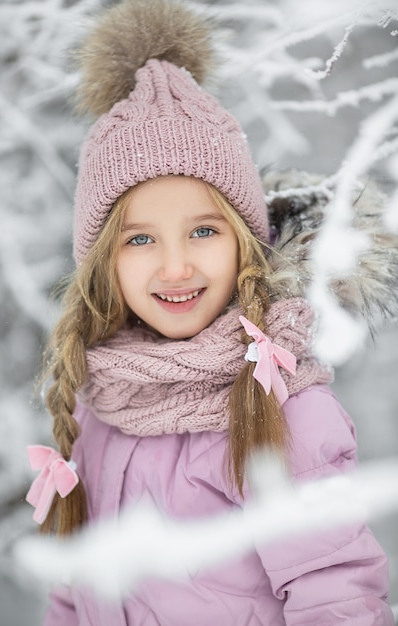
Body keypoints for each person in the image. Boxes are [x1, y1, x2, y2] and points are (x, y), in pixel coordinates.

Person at [26, 0, 397, 624]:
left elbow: (334, 596)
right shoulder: (104, 398)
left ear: (245, 244)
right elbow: (75, 588)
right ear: (103, 264)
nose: (175, 267)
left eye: (204, 231)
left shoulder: (283, 406)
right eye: (139, 239)